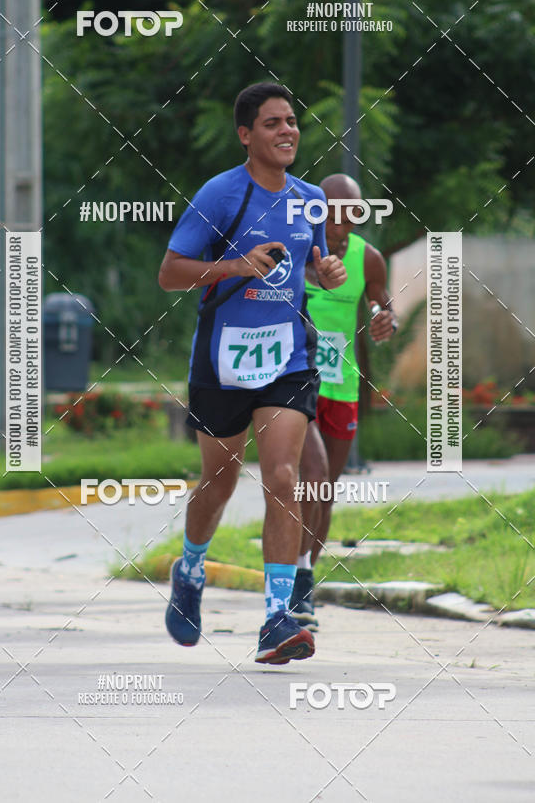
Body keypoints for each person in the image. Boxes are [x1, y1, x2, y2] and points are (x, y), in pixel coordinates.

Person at [158, 82, 347, 664]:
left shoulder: (310, 196)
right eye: (272, 123)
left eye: (292, 121)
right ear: (246, 135)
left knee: (284, 477)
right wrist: (235, 265)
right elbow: (169, 273)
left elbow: (308, 267)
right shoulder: (219, 195)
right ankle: (190, 568)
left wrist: (326, 272)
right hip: (222, 359)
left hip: (286, 358)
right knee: (218, 480)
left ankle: (276, 616)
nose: (287, 131)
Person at [288, 173, 398, 629]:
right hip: (297, 377)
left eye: (354, 210)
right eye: (334, 209)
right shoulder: (297, 246)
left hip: (342, 384)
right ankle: (295, 575)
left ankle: (305, 576)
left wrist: (382, 319)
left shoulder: (367, 258)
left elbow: (381, 303)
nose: (344, 219)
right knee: (309, 478)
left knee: (325, 488)